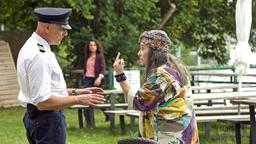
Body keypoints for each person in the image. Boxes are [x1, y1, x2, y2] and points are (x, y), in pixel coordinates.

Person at [17, 7, 105, 144]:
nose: (65, 34)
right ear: (47, 27)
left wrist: (76, 92)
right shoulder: (39, 55)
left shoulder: (34, 46)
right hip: (47, 119)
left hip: (38, 118)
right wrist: (79, 99)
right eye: (62, 29)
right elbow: (42, 102)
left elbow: (46, 90)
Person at [113, 30, 199, 144]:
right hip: (183, 135)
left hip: (170, 138)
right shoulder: (176, 69)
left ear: (154, 51)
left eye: (143, 48)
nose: (139, 53)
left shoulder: (162, 75)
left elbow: (139, 101)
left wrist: (120, 76)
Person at [82, 39, 108, 125]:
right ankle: (88, 122)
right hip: (87, 80)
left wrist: (99, 78)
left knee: (98, 100)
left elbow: (103, 69)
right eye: (90, 45)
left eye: (94, 45)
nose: (92, 47)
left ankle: (108, 113)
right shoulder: (87, 56)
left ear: (97, 47)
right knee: (85, 100)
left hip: (96, 80)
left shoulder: (100, 56)